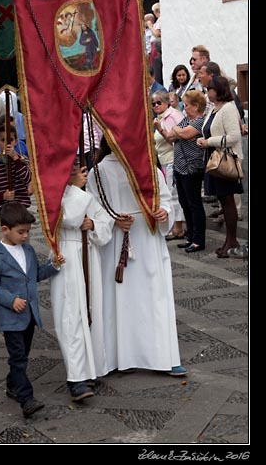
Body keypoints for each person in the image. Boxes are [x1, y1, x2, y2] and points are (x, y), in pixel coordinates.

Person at [87, 137, 187, 378]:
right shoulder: (98, 172)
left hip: (148, 237)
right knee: (119, 299)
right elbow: (93, 207)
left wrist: (164, 213)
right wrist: (112, 220)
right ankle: (120, 355)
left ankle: (164, 355)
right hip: (116, 241)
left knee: (154, 296)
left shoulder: (150, 169)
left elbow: (165, 199)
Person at [0, 201, 65, 418]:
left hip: (29, 316)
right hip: (11, 318)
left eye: (28, 232)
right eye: (21, 232)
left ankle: (12, 384)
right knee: (18, 357)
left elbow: (36, 274)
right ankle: (26, 399)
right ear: (5, 230)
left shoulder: (28, 250)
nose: (26, 236)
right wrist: (11, 300)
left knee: (22, 355)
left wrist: (54, 266)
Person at [50, 159, 113, 401]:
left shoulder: (84, 194)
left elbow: (104, 223)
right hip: (67, 256)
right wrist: (76, 188)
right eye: (78, 171)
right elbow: (69, 218)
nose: (83, 175)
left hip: (89, 256)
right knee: (71, 316)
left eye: (82, 170)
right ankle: (75, 376)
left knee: (91, 312)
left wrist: (94, 224)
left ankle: (90, 368)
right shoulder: (57, 193)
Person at [196, 76, 244, 258]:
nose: (207, 92)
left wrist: (209, 142)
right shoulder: (214, 109)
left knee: (228, 200)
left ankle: (232, 240)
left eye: (209, 89)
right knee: (223, 200)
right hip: (215, 159)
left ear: (219, 90)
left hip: (225, 160)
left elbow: (234, 136)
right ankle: (228, 240)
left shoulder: (229, 108)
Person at [160, 90, 207, 252]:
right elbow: (171, 136)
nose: (184, 108)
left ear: (196, 106)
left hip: (192, 167)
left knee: (194, 203)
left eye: (187, 105)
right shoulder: (187, 119)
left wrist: (178, 131)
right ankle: (191, 236)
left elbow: (184, 133)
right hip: (180, 167)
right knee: (184, 202)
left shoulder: (200, 120)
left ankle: (199, 240)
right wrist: (176, 132)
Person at [151, 91, 186, 240]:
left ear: (166, 102)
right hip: (165, 160)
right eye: (153, 104)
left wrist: (160, 129)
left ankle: (178, 227)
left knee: (174, 194)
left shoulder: (171, 116)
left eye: (159, 102)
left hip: (174, 159)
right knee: (171, 193)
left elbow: (174, 140)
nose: (156, 105)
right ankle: (175, 225)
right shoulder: (160, 117)